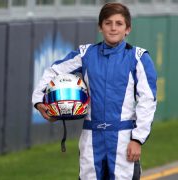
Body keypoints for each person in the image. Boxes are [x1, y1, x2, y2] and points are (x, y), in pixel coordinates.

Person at [32, 2, 157, 179]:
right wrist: (39, 102)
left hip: (123, 138)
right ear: (100, 27)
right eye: (108, 23)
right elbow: (53, 71)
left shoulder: (138, 57)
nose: (113, 28)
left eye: (119, 23)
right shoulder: (86, 54)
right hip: (91, 137)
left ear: (127, 29)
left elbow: (148, 101)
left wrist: (137, 139)